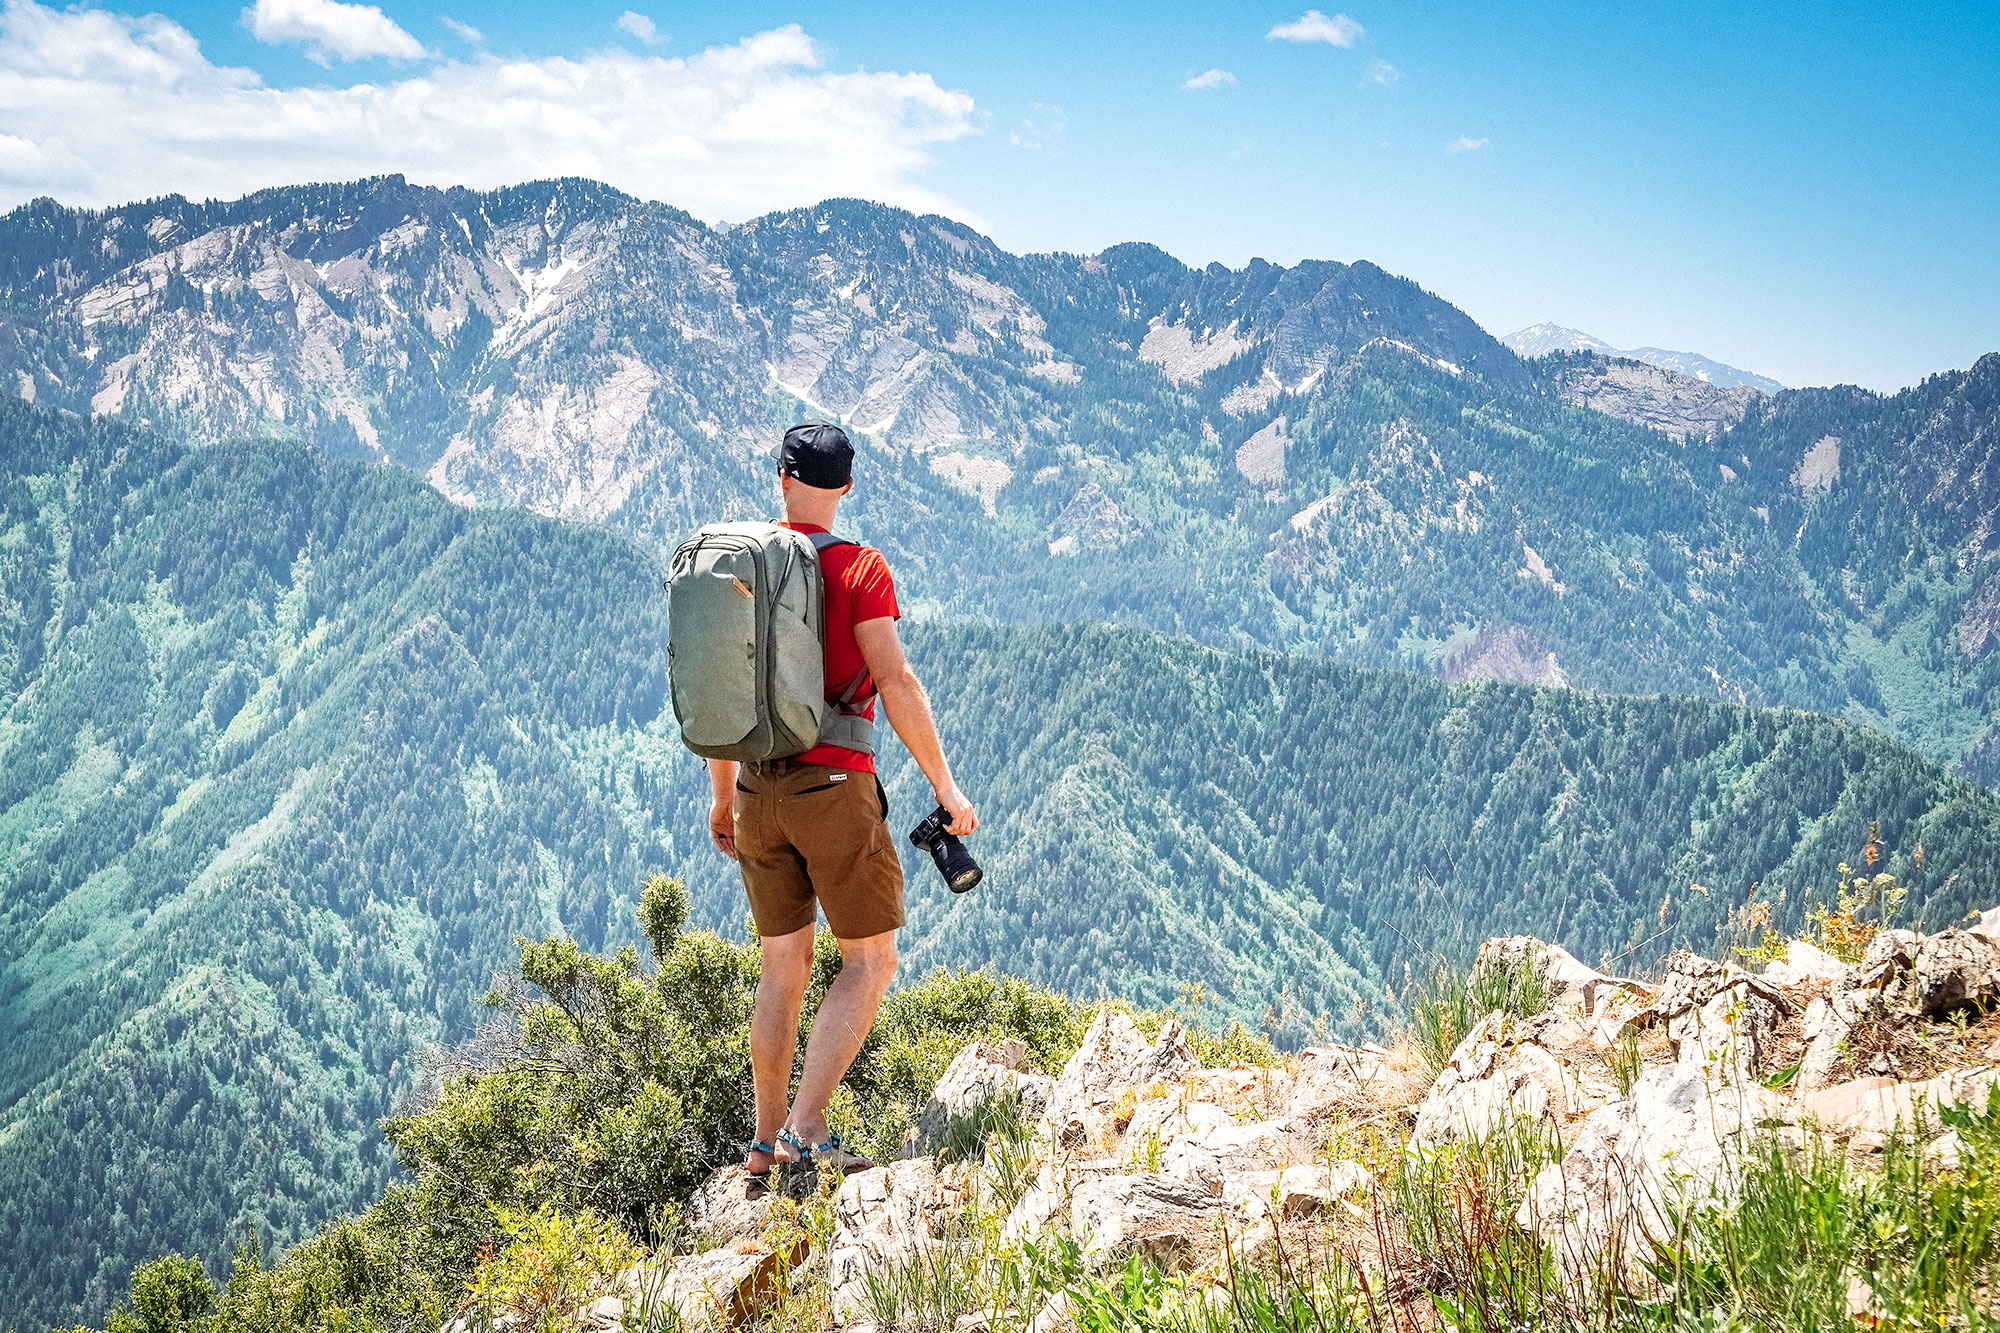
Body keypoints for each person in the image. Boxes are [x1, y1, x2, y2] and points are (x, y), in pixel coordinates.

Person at [706, 421, 978, 1178]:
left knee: (781, 966)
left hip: (758, 787)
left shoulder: (745, 569)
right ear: (847, 488)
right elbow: (894, 681)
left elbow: (730, 692)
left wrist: (724, 797)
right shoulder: (861, 569)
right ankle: (807, 1130)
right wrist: (945, 787)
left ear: (781, 477)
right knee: (870, 961)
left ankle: (762, 1145)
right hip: (835, 787)